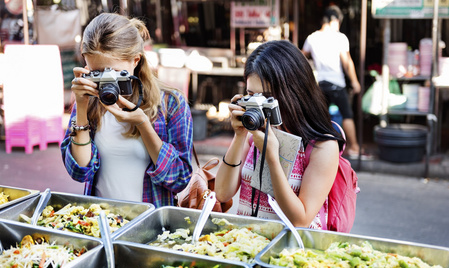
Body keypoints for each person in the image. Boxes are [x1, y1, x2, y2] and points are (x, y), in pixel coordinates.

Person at [61, 13, 193, 207]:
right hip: (100, 225)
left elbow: (179, 179)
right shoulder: (89, 100)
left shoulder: (170, 103)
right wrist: (81, 107)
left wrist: (143, 125)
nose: (106, 81)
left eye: (114, 72)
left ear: (135, 60)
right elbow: (80, 172)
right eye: (97, 72)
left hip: (150, 227)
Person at [215, 40, 345, 229]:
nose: (257, 105)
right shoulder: (254, 134)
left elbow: (300, 220)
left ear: (294, 92)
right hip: (247, 246)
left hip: (290, 254)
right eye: (251, 95)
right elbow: (222, 193)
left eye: (267, 98)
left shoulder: (321, 146)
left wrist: (273, 158)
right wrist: (239, 135)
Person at [302, 5, 369, 160]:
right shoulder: (339, 37)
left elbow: (301, 56)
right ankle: (354, 147)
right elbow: (347, 62)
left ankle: (315, 147)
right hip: (337, 83)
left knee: (319, 116)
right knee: (347, 114)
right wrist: (355, 82)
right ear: (333, 20)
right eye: (338, 22)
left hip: (321, 84)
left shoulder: (312, 38)